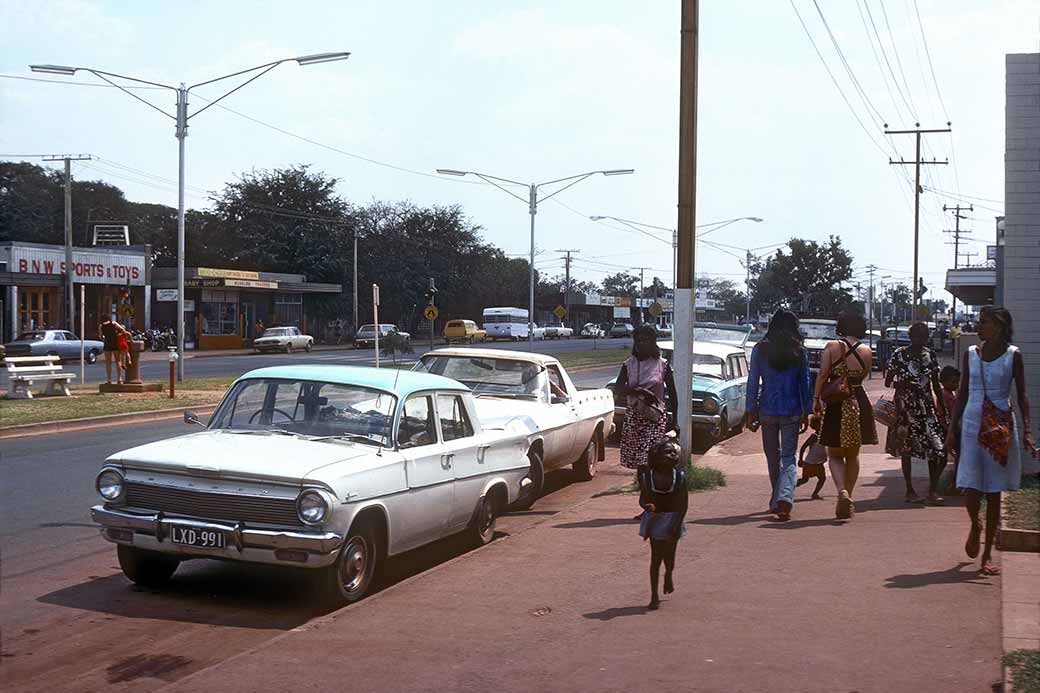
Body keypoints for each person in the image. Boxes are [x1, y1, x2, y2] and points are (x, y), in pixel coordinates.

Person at [947, 306, 1037, 576]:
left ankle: (987, 555)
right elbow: (962, 394)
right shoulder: (971, 355)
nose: (978, 325)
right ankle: (976, 524)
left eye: (984, 322)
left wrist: (1028, 430)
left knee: (994, 490)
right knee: (971, 486)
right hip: (973, 423)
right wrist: (953, 427)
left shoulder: (1013, 355)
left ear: (998, 326)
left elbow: (1022, 394)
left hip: (999, 426)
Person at [745, 308, 812, 521]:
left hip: (767, 409)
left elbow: (753, 381)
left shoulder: (760, 349)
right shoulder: (799, 351)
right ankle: (783, 498)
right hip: (792, 409)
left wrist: (749, 410)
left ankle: (778, 499)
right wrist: (806, 411)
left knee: (772, 457)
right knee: (788, 456)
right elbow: (805, 383)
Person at [814, 309, 877, 520]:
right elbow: (863, 377)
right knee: (853, 454)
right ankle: (849, 495)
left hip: (836, 404)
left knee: (834, 453)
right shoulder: (867, 350)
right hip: (858, 401)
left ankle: (841, 490)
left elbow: (823, 375)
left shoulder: (832, 347)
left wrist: (816, 399)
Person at [885, 322, 949, 504]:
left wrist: (943, 409)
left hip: (926, 408)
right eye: (916, 337)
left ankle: (932, 490)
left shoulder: (930, 355)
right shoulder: (899, 355)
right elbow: (888, 382)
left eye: (923, 337)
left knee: (935, 449)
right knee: (906, 449)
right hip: (904, 408)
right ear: (910, 337)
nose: (919, 341)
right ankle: (909, 490)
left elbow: (936, 384)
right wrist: (905, 384)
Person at [615, 325, 679, 471]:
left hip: (655, 418)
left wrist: (675, 421)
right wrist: (637, 391)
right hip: (634, 418)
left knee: (652, 455)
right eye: (638, 340)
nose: (642, 343)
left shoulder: (663, 365)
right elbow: (618, 388)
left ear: (653, 342)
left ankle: (654, 486)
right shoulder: (628, 365)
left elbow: (673, 395)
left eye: (646, 340)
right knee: (639, 462)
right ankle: (643, 486)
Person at [638, 435, 687, 611]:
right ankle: (654, 595)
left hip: (674, 518)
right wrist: (647, 506)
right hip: (656, 519)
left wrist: (675, 525)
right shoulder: (647, 477)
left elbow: (683, 506)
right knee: (655, 558)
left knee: (669, 558)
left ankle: (668, 574)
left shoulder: (680, 478)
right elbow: (643, 498)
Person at [797, 414, 828, 499]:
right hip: (810, 462)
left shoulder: (825, 435)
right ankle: (788, 488)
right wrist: (800, 459)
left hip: (819, 462)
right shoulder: (814, 436)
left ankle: (815, 494)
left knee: (822, 478)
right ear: (815, 426)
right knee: (804, 479)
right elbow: (803, 447)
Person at [98, 317, 130, 385]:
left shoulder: (101, 326)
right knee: (118, 361)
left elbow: (101, 336)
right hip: (115, 344)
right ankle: (119, 379)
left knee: (108, 363)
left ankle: (109, 380)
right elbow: (122, 330)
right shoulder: (114, 323)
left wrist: (104, 338)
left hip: (107, 344)